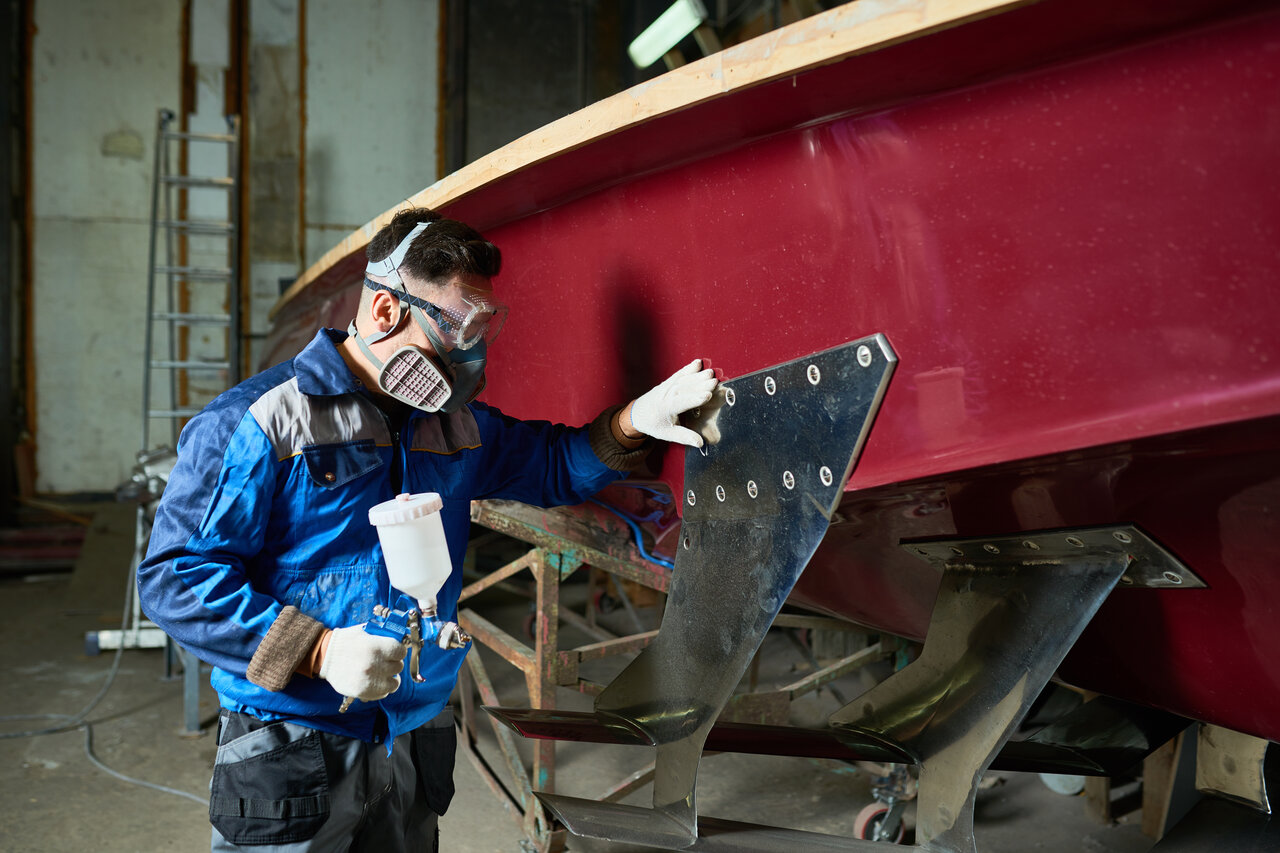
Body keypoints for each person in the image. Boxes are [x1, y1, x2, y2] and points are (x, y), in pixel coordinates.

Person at [137, 208, 717, 852]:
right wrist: (319, 651)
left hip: (411, 732)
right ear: (385, 311)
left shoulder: (451, 425)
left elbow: (553, 465)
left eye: (486, 326)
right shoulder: (259, 422)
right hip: (293, 741)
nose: (472, 350)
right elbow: (175, 581)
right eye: (460, 324)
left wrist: (635, 420)